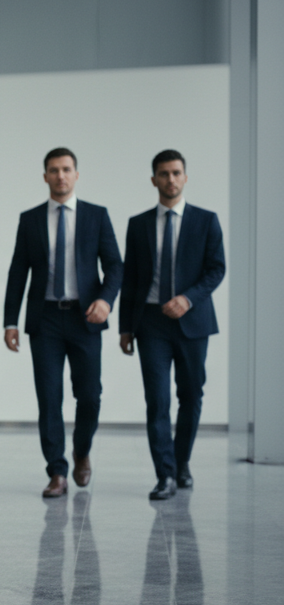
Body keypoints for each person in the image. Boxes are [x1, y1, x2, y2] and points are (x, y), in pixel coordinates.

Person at [3, 148, 123, 498]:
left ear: (76, 174)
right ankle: (57, 470)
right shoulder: (30, 219)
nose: (60, 175)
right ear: (45, 176)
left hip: (85, 317)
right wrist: (10, 321)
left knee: (89, 396)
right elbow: (17, 273)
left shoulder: (96, 216)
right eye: (53, 170)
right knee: (49, 397)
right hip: (46, 320)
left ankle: (82, 449)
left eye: (66, 169)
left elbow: (115, 265)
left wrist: (105, 300)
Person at [118, 150, 225, 500]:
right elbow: (130, 278)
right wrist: (126, 327)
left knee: (191, 395)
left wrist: (189, 298)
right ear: (154, 180)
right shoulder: (138, 224)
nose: (171, 179)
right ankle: (164, 474)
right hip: (151, 323)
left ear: (186, 177)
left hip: (193, 322)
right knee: (157, 399)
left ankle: (181, 463)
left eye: (177, 173)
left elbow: (216, 269)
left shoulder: (206, 221)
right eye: (163, 174)